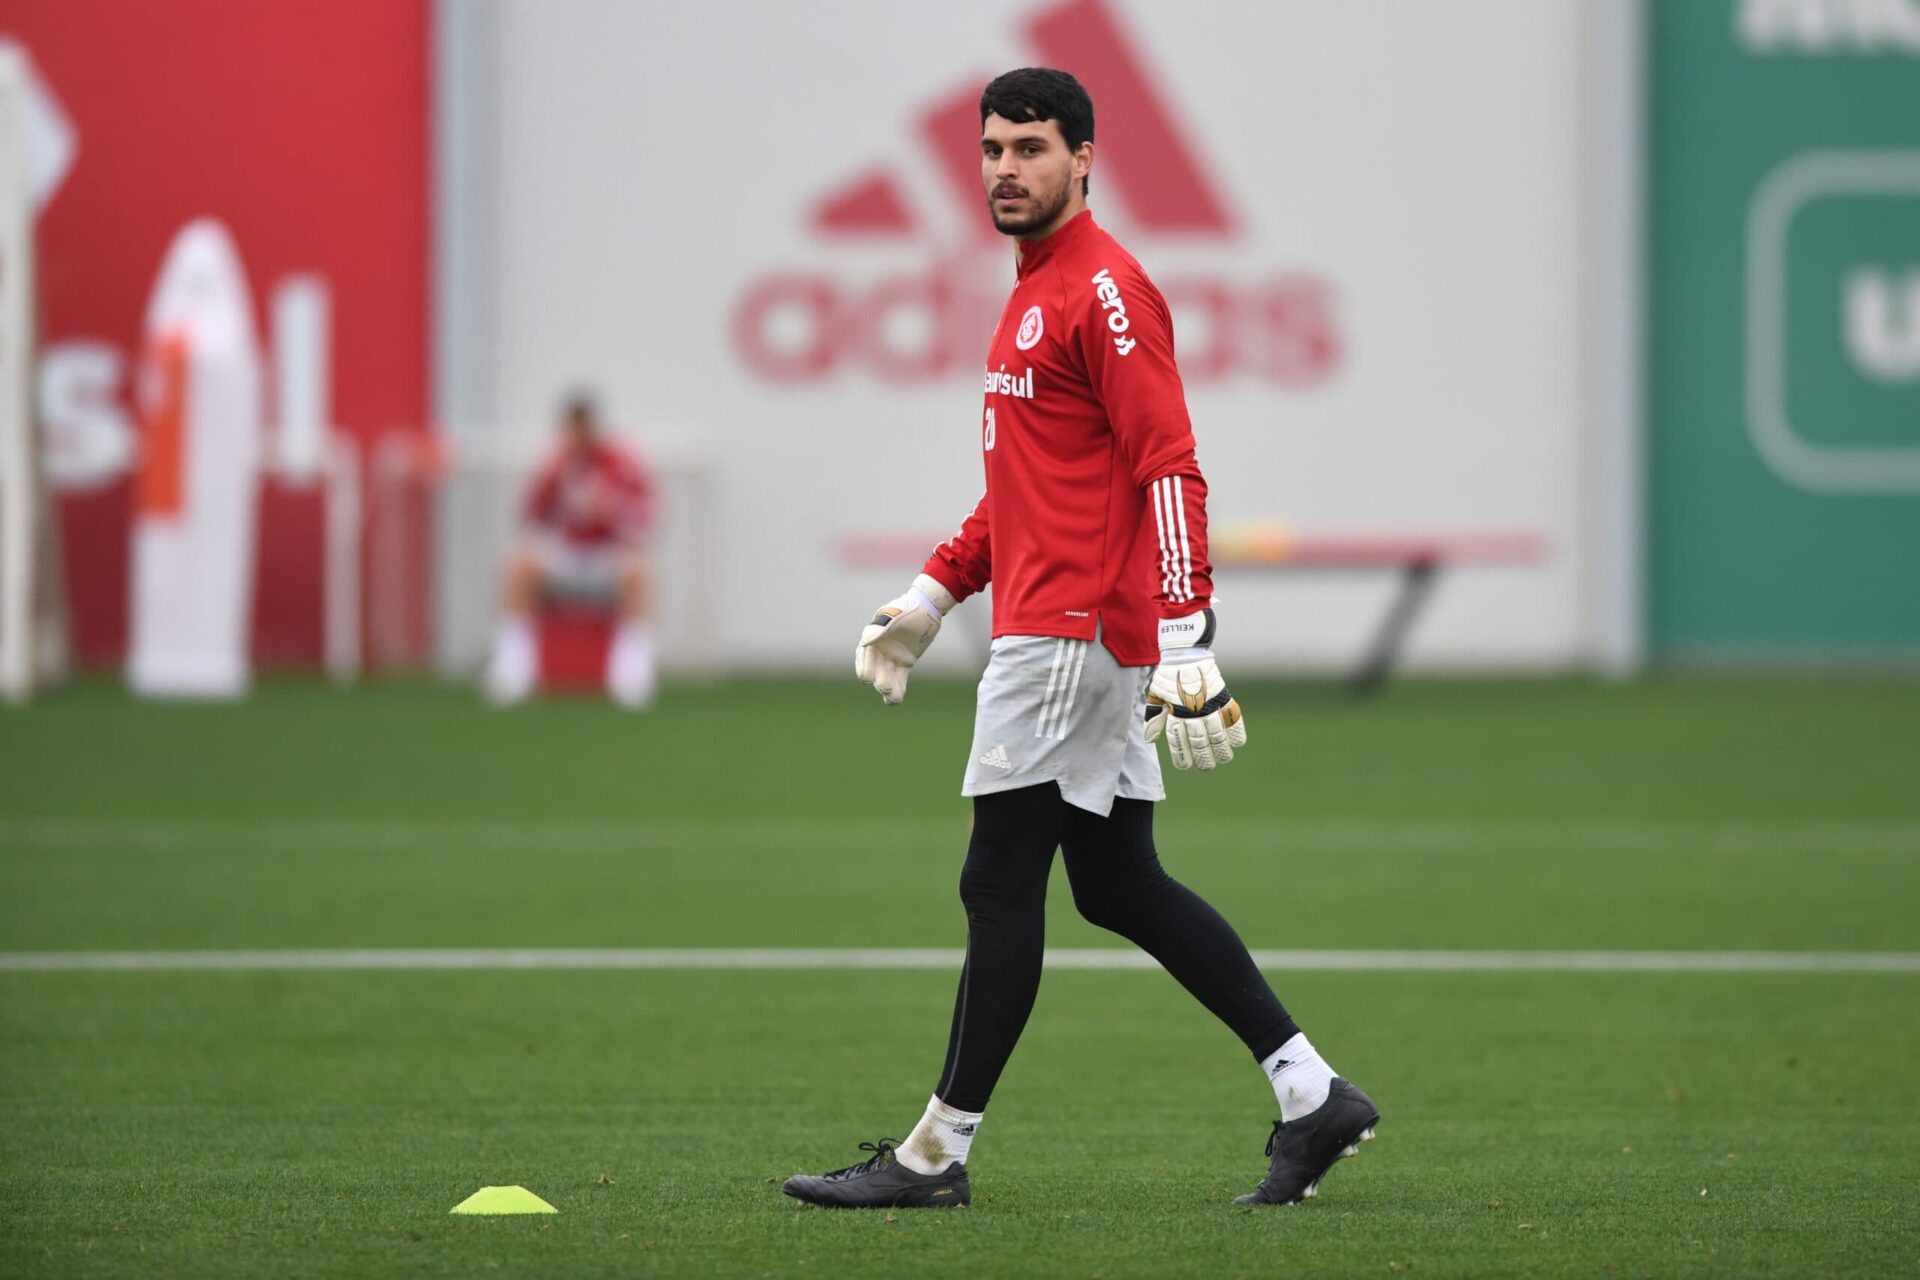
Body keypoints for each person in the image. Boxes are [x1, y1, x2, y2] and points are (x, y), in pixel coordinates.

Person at [782, 68, 1378, 1211]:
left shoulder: (1104, 289)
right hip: (1064, 626)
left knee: (999, 881)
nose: (1006, 168)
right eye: (993, 149)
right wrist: (931, 594)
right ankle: (1312, 1093)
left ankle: (932, 1155)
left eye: (1032, 149)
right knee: (1117, 883)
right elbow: (1025, 489)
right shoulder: (1032, 290)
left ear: (1087, 157)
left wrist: (1189, 628)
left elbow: (1170, 462)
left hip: (1064, 639)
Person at [483, 393, 657, 707]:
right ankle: (513, 671)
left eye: (582, 428)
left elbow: (645, 520)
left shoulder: (620, 464)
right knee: (518, 566)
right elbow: (529, 515)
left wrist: (609, 510)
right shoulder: (555, 463)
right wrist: (552, 483)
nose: (577, 436)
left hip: (606, 554)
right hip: (566, 555)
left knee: (637, 571)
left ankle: (631, 675)